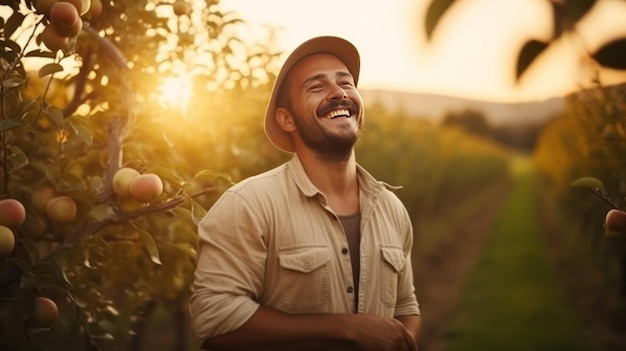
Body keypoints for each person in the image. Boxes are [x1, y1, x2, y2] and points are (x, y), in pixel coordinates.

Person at [189, 35, 421, 351]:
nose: (339, 93)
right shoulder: (249, 204)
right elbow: (214, 316)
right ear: (287, 119)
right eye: (316, 87)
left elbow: (406, 304)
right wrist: (347, 329)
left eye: (346, 83)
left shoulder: (391, 208)